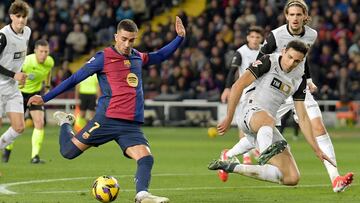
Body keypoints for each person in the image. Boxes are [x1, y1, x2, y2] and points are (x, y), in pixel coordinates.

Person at [28, 17, 185, 203]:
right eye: (124, 39)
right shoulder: (103, 57)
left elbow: (159, 55)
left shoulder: (137, 56)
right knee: (68, 152)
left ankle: (142, 195)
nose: (127, 44)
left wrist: (180, 38)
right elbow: (74, 79)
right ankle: (65, 122)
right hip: (106, 120)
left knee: (146, 158)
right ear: (116, 36)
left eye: (131, 40)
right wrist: (44, 98)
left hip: (130, 125)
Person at [220, 0, 353, 192]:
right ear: (286, 16)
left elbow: (302, 59)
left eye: (299, 15)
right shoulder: (276, 35)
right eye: (291, 14)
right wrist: (258, 87)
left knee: (317, 125)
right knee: (262, 128)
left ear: (306, 17)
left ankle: (335, 177)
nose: (295, 18)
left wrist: (308, 79)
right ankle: (230, 154)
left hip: (296, 84)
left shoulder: (312, 35)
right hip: (273, 87)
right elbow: (261, 61)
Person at [208, 40, 335, 187]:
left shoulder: (299, 79)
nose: (291, 63)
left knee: (291, 177)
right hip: (249, 112)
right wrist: (229, 118)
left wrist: (317, 150)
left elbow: (303, 118)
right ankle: (264, 154)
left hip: (265, 127)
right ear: (283, 51)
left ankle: (232, 166)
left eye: (297, 61)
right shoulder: (268, 61)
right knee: (269, 119)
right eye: (290, 57)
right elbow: (238, 85)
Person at [218, 26, 264, 182]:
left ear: (261, 39)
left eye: (258, 37)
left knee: (260, 122)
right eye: (252, 37)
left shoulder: (265, 50)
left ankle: (256, 149)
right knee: (243, 124)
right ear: (247, 38)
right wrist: (227, 88)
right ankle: (246, 155)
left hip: (263, 92)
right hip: (245, 92)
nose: (255, 40)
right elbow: (232, 71)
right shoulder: (241, 52)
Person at [2, 39, 54, 164]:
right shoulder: (27, 61)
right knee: (17, 126)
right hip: (18, 94)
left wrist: (47, 87)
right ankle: (7, 150)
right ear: (35, 51)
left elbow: (48, 73)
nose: (43, 54)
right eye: (41, 51)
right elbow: (13, 72)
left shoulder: (50, 62)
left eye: (46, 51)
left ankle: (34, 156)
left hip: (34, 95)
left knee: (40, 123)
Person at [0, 1, 31, 155]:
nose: (21, 20)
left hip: (12, 88)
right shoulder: (3, 35)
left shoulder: (27, 32)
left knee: (19, 127)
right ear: (11, 16)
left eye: (24, 16)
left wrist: (21, 73)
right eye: (18, 16)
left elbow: (19, 56)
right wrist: (14, 74)